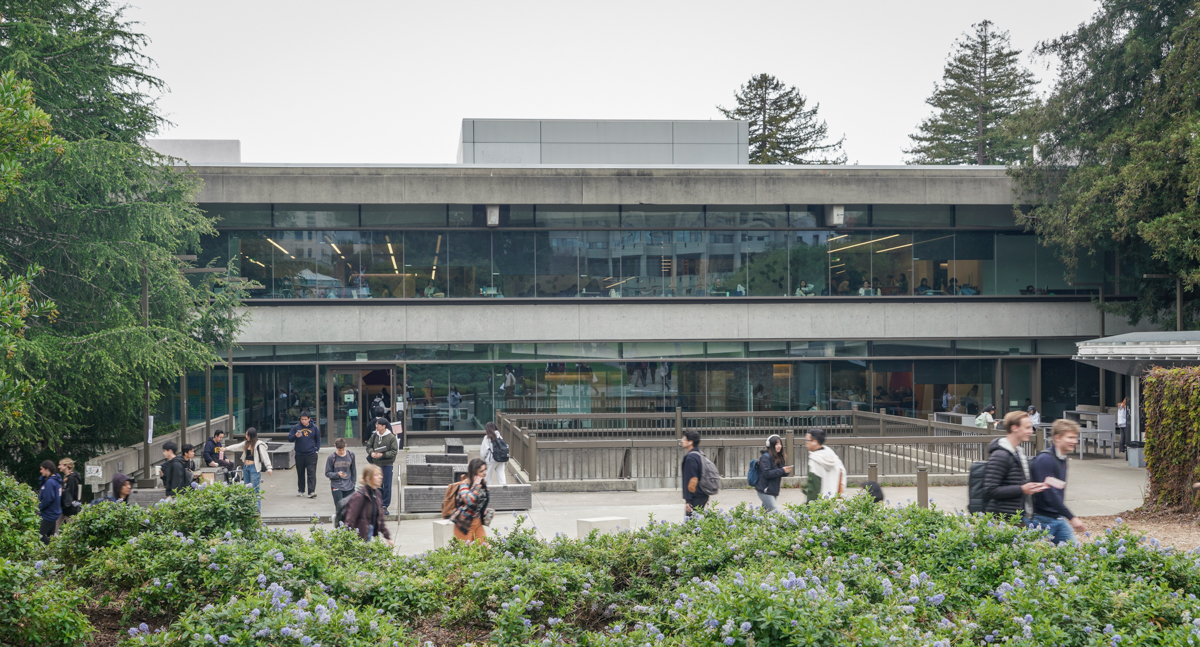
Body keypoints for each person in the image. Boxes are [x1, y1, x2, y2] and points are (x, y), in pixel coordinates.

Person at [983, 410, 1049, 522]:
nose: (1031, 431)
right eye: (1027, 427)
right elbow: (990, 490)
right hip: (1004, 520)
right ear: (1014, 428)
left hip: (1019, 517)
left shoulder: (1019, 453)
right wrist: (1022, 489)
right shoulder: (1000, 455)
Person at [1030, 419, 1086, 544]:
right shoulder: (1045, 460)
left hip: (1057, 518)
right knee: (1039, 559)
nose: (1074, 441)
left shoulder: (1062, 459)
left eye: (1075, 438)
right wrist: (1071, 517)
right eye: (1070, 437)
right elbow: (1049, 494)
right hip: (1042, 520)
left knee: (1075, 553)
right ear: (1057, 438)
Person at [342, 464, 393, 545]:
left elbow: (380, 518)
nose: (380, 477)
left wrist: (388, 537)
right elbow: (350, 520)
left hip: (368, 533)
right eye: (376, 475)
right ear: (368, 478)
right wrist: (346, 540)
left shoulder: (377, 494)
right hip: (358, 537)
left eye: (380, 474)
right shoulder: (359, 497)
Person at [226, 428, 273, 513]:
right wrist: (226, 449)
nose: (246, 436)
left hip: (254, 468)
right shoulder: (246, 443)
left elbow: (265, 456)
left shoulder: (259, 445)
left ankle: (257, 513)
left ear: (252, 435)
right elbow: (236, 446)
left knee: (255, 490)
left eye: (247, 435)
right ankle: (249, 512)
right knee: (247, 490)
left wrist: (269, 467)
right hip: (246, 467)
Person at [450, 458, 489, 544]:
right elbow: (469, 500)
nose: (485, 473)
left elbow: (483, 499)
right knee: (464, 551)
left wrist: (484, 509)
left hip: (477, 521)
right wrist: (476, 485)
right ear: (474, 473)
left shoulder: (483, 484)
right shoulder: (465, 484)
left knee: (485, 548)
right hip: (464, 523)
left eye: (485, 469)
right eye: (481, 471)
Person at [365, 417, 398, 515]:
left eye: (378, 424)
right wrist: (371, 453)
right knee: (376, 484)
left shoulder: (391, 437)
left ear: (384, 426)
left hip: (387, 464)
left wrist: (382, 455)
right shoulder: (374, 435)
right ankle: (377, 504)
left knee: (387, 485)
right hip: (376, 464)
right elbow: (369, 446)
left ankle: (385, 505)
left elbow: (394, 451)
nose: (376, 426)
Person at [804, 429, 847, 501]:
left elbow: (814, 487)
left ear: (814, 442)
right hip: (834, 500)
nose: (805, 442)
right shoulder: (832, 455)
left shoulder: (815, 460)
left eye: (807, 440)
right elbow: (842, 475)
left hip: (820, 503)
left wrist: (809, 505)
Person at [754, 434, 793, 512]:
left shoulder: (778, 457)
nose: (779, 446)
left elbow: (779, 472)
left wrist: (786, 471)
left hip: (773, 490)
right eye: (776, 444)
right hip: (765, 490)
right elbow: (767, 473)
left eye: (780, 444)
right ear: (770, 446)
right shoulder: (765, 457)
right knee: (774, 512)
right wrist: (782, 470)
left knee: (765, 513)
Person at [289, 411, 322, 498]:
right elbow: (290, 438)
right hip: (299, 454)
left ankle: (311, 491)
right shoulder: (296, 427)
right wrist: (295, 436)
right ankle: (301, 490)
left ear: (309, 419)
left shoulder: (314, 428)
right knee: (300, 473)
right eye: (302, 419)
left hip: (311, 454)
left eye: (305, 419)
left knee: (311, 473)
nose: (303, 421)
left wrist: (316, 450)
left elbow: (318, 440)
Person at [325, 438, 357, 516]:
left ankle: (348, 526)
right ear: (335, 447)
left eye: (343, 449)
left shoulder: (351, 455)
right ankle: (340, 525)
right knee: (340, 508)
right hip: (336, 485)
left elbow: (353, 470)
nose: (341, 451)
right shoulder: (331, 458)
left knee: (350, 508)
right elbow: (327, 473)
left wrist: (353, 482)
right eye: (339, 450)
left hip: (349, 485)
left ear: (345, 446)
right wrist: (337, 474)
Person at [680, 430, 708, 517]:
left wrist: (688, 501)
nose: (682, 441)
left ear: (690, 442)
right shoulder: (699, 454)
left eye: (684, 439)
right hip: (702, 493)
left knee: (692, 524)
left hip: (695, 496)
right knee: (698, 521)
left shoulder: (690, 458)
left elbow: (692, 479)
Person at [37, 460, 62, 544]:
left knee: (39, 536)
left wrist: (39, 507)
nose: (40, 471)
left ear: (47, 469)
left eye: (42, 469)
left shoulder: (50, 482)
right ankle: (52, 553)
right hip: (54, 512)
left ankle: (54, 550)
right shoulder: (55, 481)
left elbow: (47, 499)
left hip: (48, 514)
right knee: (50, 536)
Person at [57, 458, 82, 530]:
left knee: (71, 530)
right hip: (64, 507)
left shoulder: (72, 478)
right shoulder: (66, 477)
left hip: (70, 508)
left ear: (66, 466)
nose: (58, 467)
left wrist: (62, 491)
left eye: (60, 465)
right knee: (54, 526)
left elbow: (70, 493)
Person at [480, 421, 508, 486]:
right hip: (501, 459)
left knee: (487, 477)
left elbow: (484, 451)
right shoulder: (500, 436)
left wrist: (484, 459)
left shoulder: (487, 438)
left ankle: (488, 491)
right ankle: (504, 491)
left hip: (491, 460)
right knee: (501, 476)